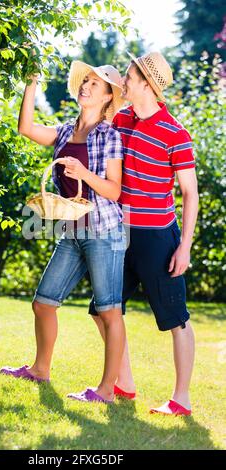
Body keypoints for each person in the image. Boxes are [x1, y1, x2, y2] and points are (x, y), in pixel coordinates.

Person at [0, 59, 129, 403]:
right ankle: (41, 369)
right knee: (43, 303)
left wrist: (84, 174)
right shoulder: (64, 131)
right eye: (85, 81)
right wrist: (31, 82)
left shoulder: (110, 135)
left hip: (105, 232)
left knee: (109, 310)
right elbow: (25, 127)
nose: (86, 87)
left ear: (106, 98)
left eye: (95, 85)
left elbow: (115, 191)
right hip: (73, 231)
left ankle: (106, 391)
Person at [88, 51, 199, 416]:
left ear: (148, 86)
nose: (124, 83)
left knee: (175, 318)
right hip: (120, 234)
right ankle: (125, 382)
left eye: (131, 78)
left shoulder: (175, 133)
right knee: (103, 309)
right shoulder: (122, 119)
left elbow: (189, 193)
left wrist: (184, 247)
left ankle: (180, 399)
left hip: (157, 238)